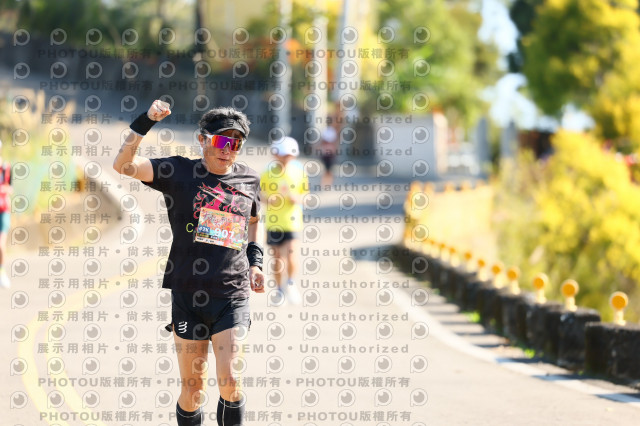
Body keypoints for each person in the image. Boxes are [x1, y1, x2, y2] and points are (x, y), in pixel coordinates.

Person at [113, 100, 264, 426]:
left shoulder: (250, 179)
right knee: (193, 390)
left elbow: (252, 223)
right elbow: (123, 166)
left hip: (232, 295)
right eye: (222, 140)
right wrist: (146, 121)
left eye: (237, 143)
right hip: (188, 295)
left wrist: (256, 263)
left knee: (230, 381)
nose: (228, 149)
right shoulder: (179, 171)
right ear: (202, 139)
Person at [260, 136, 308, 305]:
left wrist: (298, 199)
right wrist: (268, 199)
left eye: (289, 155)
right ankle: (279, 289)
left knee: (292, 254)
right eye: (283, 154)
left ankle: (291, 284)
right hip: (274, 222)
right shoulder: (268, 172)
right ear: (276, 154)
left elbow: (306, 195)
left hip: (293, 222)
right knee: (278, 259)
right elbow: (259, 194)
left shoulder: (299, 172)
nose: (286, 158)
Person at [0, 140, 11, 289]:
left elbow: (10, 188)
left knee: (1, 244)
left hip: (3, 211)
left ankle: (2, 272)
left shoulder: (6, 168)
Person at [318, 119, 339, 187]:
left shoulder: (331, 131)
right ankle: (326, 182)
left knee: (329, 169)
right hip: (326, 153)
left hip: (329, 154)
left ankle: (327, 182)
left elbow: (333, 142)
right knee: (327, 169)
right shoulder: (328, 131)